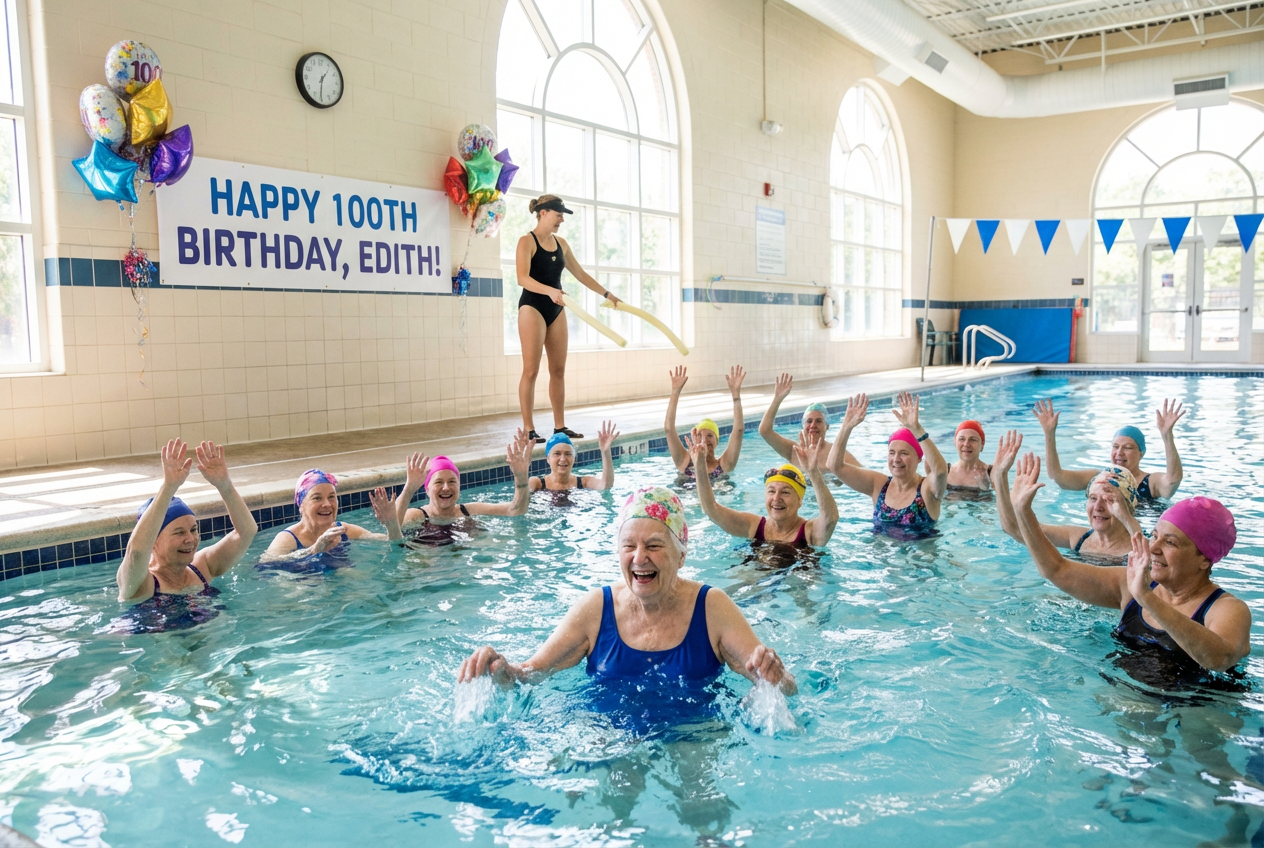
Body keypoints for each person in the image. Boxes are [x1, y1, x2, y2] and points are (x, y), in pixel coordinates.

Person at [458, 486, 797, 697]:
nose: (639, 558)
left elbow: (784, 688)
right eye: (628, 545)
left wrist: (776, 677)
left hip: (695, 735)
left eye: (654, 545)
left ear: (681, 555)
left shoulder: (712, 608)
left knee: (700, 807)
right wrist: (499, 670)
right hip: (609, 734)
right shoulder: (596, 609)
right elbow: (530, 674)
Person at [1007, 451, 1249, 681]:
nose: (1154, 548)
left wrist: (1146, 598)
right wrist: (1023, 511)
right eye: (1154, 536)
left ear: (1204, 559)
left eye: (1171, 543)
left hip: (1195, 716)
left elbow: (1219, 659)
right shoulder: (1129, 583)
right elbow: (1056, 569)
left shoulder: (1227, 609)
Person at [514, 194, 622, 444]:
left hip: (556, 307)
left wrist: (607, 294)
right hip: (533, 306)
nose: (562, 218)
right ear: (543, 213)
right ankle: (529, 429)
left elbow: (581, 274)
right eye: (558, 213)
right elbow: (522, 278)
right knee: (531, 370)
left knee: (558, 370)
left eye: (562, 215)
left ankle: (559, 427)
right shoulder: (526, 241)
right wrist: (550, 291)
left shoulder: (561, 244)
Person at [115, 439, 258, 610]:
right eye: (179, 532)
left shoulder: (202, 568)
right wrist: (169, 487)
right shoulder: (141, 584)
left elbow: (246, 532)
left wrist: (224, 485)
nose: (190, 539)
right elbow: (136, 552)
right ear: (153, 540)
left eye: (193, 529)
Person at [991, 430, 1141, 561]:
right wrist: (999, 477)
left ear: (1128, 506)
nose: (1097, 507)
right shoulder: (1078, 538)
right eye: (1093, 498)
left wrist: (1127, 519)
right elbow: (1015, 530)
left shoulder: (1141, 549)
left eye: (1110, 500)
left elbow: (1146, 553)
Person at [827, 392, 948, 540]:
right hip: (881, 560)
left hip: (919, 561)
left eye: (904, 453)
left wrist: (917, 430)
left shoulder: (926, 489)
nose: (896, 459)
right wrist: (846, 426)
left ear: (918, 458)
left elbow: (941, 472)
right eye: (892, 452)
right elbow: (834, 466)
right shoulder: (878, 485)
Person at [691, 431, 838, 550]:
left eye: (785, 492)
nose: (776, 498)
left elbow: (830, 518)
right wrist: (699, 466)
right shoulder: (753, 525)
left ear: (800, 500)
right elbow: (711, 509)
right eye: (771, 491)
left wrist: (813, 472)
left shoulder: (809, 532)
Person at [1032, 398, 1185, 501]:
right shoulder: (1097, 477)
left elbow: (1172, 481)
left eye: (1128, 448)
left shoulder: (1151, 482)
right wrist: (1049, 434)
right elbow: (1058, 477)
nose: (1119, 453)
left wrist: (1167, 435)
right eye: (1116, 447)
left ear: (1141, 453)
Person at [395, 434, 533, 545]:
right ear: (427, 489)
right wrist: (409, 489)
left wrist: (520, 477)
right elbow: (393, 527)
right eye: (438, 482)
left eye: (452, 481)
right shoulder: (416, 516)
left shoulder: (469, 511)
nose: (446, 487)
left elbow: (515, 510)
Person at [260, 469, 402, 567]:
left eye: (331, 497)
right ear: (301, 505)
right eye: (317, 498)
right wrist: (314, 549)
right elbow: (266, 564)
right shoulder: (288, 538)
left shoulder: (343, 530)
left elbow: (392, 542)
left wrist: (391, 522)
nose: (327, 504)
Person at [758, 372, 862, 469]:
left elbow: (864, 478)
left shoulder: (839, 455)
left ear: (827, 426)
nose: (813, 425)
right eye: (809, 421)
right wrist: (777, 399)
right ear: (803, 425)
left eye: (818, 421)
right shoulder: (794, 451)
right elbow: (765, 431)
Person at [664, 365, 745, 480]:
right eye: (699, 435)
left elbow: (739, 430)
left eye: (710, 436)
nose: (704, 440)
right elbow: (668, 429)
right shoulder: (684, 462)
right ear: (693, 440)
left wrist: (736, 396)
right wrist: (675, 392)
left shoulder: (725, 465)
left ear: (717, 441)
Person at [528, 422, 618, 494]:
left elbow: (605, 485)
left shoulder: (583, 483)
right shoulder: (537, 483)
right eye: (557, 453)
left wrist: (605, 452)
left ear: (574, 458)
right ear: (548, 459)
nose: (563, 459)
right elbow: (522, 495)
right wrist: (521, 473)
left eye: (568, 454)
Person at [945, 420, 991, 491]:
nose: (966, 444)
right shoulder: (945, 471)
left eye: (973, 440)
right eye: (962, 439)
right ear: (955, 442)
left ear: (982, 444)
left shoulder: (991, 474)